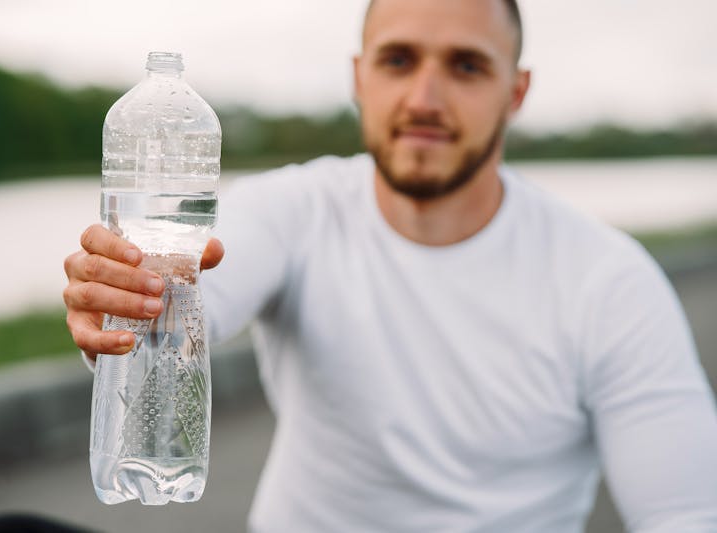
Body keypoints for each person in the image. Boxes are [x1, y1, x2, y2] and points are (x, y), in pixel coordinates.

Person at [63, 0, 717, 531]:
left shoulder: (609, 280)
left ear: (515, 92)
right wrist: (121, 302)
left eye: (466, 66)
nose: (425, 97)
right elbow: (196, 288)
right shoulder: (297, 208)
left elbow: (685, 513)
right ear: (359, 78)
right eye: (398, 60)